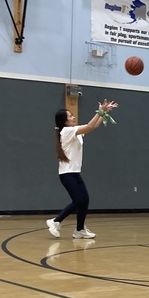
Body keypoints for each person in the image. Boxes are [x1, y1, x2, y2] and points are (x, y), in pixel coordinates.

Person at [46, 99, 116, 240]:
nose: (73, 117)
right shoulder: (66, 131)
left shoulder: (74, 131)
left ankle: (79, 230)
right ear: (64, 121)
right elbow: (89, 126)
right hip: (67, 174)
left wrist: (103, 113)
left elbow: (93, 126)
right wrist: (100, 111)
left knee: (84, 200)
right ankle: (56, 221)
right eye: (70, 116)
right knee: (78, 201)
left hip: (74, 173)